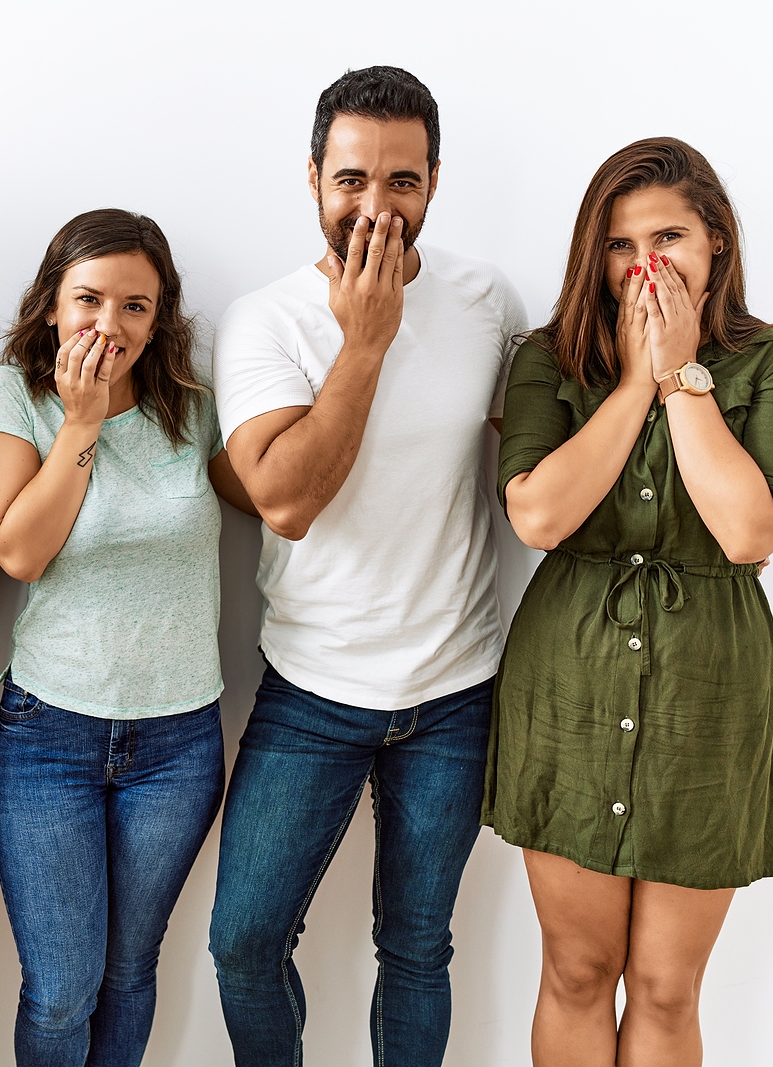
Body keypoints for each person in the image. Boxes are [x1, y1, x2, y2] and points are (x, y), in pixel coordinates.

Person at [206, 66, 529, 1066]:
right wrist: (366, 342)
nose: (376, 207)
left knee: (417, 948)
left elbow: (528, 466)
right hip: (313, 685)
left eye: (402, 180)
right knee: (243, 941)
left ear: (433, 181)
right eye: (352, 179)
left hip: (456, 685)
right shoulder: (266, 320)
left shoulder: (487, 300)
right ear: (312, 178)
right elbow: (288, 501)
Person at [484, 137, 773, 1067]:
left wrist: (681, 376)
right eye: (620, 244)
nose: (645, 264)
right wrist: (635, 381)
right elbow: (541, 515)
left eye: (668, 236)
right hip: (570, 685)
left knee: (668, 988)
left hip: (706, 701)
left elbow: (749, 529)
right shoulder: (547, 359)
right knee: (578, 971)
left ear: (715, 240)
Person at [0, 208, 255, 1067]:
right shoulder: (10, 396)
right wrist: (82, 424)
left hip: (179, 738)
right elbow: (17, 548)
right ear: (52, 305)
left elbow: (272, 493)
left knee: (130, 971)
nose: (110, 324)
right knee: (60, 991)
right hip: (50, 733)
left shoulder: (190, 408)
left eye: (136, 305)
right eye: (89, 299)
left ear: (160, 317)